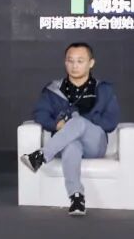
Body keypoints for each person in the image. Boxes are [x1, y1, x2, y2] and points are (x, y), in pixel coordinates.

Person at [21, 42, 120, 216]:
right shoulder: (53, 90)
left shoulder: (104, 89)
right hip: (65, 143)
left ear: (91, 63)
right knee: (72, 145)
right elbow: (40, 113)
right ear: (65, 62)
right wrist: (56, 125)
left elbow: (111, 122)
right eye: (70, 61)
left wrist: (83, 121)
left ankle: (41, 156)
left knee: (78, 122)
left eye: (80, 61)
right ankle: (76, 198)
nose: (74, 65)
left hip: (95, 143)